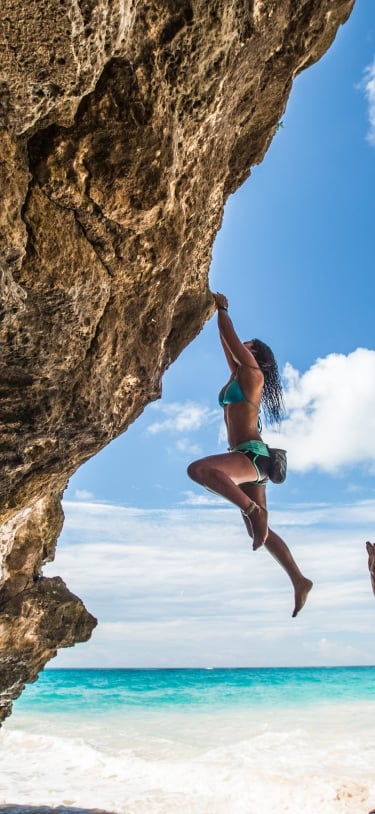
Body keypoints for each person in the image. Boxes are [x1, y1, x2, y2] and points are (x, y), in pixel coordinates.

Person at [187, 292, 313, 617]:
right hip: (251, 458)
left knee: (200, 471)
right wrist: (218, 317)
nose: (241, 346)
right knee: (258, 532)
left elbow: (230, 337)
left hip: (251, 455)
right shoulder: (239, 374)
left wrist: (224, 308)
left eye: (247, 346)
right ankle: (299, 580)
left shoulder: (253, 375)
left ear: (254, 354)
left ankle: (253, 510)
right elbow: (226, 342)